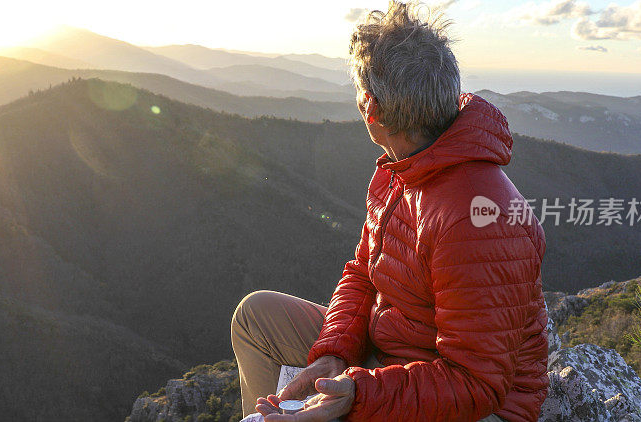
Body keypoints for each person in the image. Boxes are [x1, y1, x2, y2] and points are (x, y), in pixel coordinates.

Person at [230, 1, 549, 421]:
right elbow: (364, 272)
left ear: (371, 108)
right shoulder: (402, 169)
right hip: (393, 356)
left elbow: (477, 384)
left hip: (469, 401)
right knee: (256, 316)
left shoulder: (476, 219)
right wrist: (333, 353)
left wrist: (359, 394)